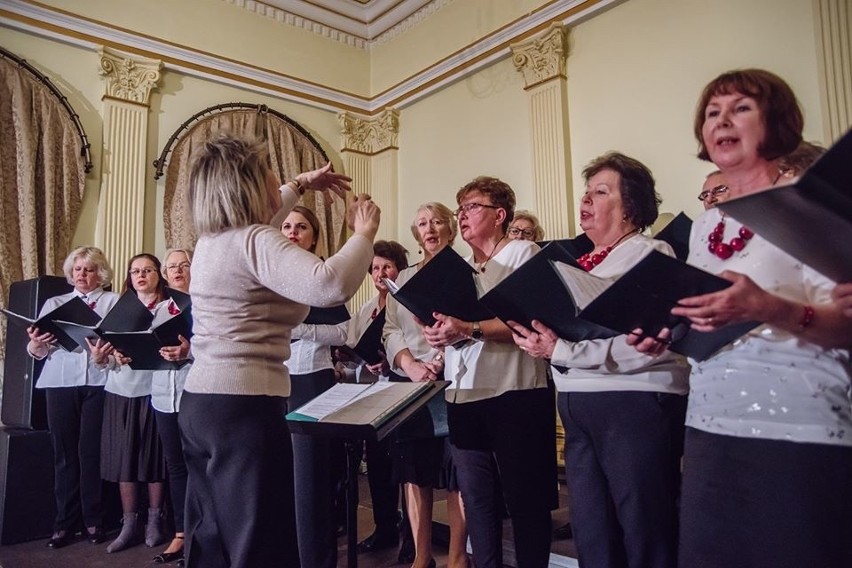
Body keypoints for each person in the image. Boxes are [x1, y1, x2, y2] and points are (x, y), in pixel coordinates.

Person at [630, 68, 852, 568]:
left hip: (798, 423)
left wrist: (769, 307)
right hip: (710, 421)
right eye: (712, 112)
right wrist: (669, 333)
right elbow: (706, 312)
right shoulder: (709, 221)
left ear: (777, 122)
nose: (722, 120)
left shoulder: (810, 202)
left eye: (741, 108)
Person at [179, 132, 379, 568]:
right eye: (270, 171)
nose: (277, 180)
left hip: (200, 404)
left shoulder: (214, 241)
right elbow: (329, 284)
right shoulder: (255, 240)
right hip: (244, 407)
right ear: (249, 183)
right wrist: (363, 234)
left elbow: (272, 213)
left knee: (213, 537)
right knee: (258, 541)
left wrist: (303, 183)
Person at [510, 153, 689, 568]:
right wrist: (542, 341)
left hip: (634, 402)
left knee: (643, 527)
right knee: (592, 531)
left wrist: (563, 351)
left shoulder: (650, 252)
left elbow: (645, 342)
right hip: (579, 403)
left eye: (600, 192)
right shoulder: (584, 262)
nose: (586, 199)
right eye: (586, 192)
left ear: (630, 207)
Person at [421, 176, 556, 568]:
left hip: (514, 393)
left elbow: (531, 321)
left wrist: (468, 327)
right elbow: (455, 326)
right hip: (463, 393)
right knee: (477, 502)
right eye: (459, 208)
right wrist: (440, 332)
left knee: (526, 500)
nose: (462, 215)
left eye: (472, 207)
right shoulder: (459, 267)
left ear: (500, 215)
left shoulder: (523, 254)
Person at [384, 202, 469, 568]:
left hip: (455, 381)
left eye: (437, 221)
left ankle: (455, 557)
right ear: (416, 233)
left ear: (450, 228)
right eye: (422, 223)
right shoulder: (401, 280)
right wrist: (409, 363)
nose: (430, 228)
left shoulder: (467, 273)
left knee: (456, 476)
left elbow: (471, 325)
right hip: (414, 386)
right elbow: (390, 330)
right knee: (415, 474)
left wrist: (439, 361)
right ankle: (421, 557)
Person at [25, 246, 119, 549]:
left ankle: (94, 519)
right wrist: (37, 343)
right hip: (60, 382)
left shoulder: (112, 302)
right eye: (77, 269)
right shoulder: (55, 302)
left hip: (99, 383)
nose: (82, 274)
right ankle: (64, 523)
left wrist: (103, 350)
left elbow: (119, 344)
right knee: (64, 454)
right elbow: (39, 352)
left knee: (90, 454)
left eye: (89, 269)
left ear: (100, 274)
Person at [281, 206, 348, 568]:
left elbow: (342, 332)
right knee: (278, 478)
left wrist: (298, 330)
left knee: (310, 483)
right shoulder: (271, 275)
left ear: (315, 236)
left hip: (312, 380)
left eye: (301, 227)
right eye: (287, 226)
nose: (292, 232)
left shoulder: (323, 278)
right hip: (272, 381)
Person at [99, 253, 170, 554]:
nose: (141, 276)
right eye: (135, 271)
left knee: (154, 458)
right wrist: (108, 357)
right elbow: (105, 351)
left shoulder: (170, 307)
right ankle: (129, 524)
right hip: (121, 388)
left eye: (148, 270)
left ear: (159, 274)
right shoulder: (119, 307)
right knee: (124, 458)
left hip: (156, 389)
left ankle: (155, 520)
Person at [346, 240, 412, 560]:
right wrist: (364, 360)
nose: (380, 273)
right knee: (377, 465)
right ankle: (384, 526)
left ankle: (411, 533)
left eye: (387, 266)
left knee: (404, 465)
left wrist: (392, 359)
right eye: (375, 268)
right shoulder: (367, 307)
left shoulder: (407, 302)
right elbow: (354, 344)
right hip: (373, 394)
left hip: (402, 392)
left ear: (399, 269)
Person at [149, 248, 194, 564]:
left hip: (197, 392)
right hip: (163, 396)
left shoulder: (206, 303)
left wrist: (190, 352)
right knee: (175, 466)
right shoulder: (158, 309)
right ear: (164, 273)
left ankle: (204, 533)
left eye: (184, 264)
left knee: (201, 466)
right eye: (172, 266)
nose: (177, 270)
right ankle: (181, 533)